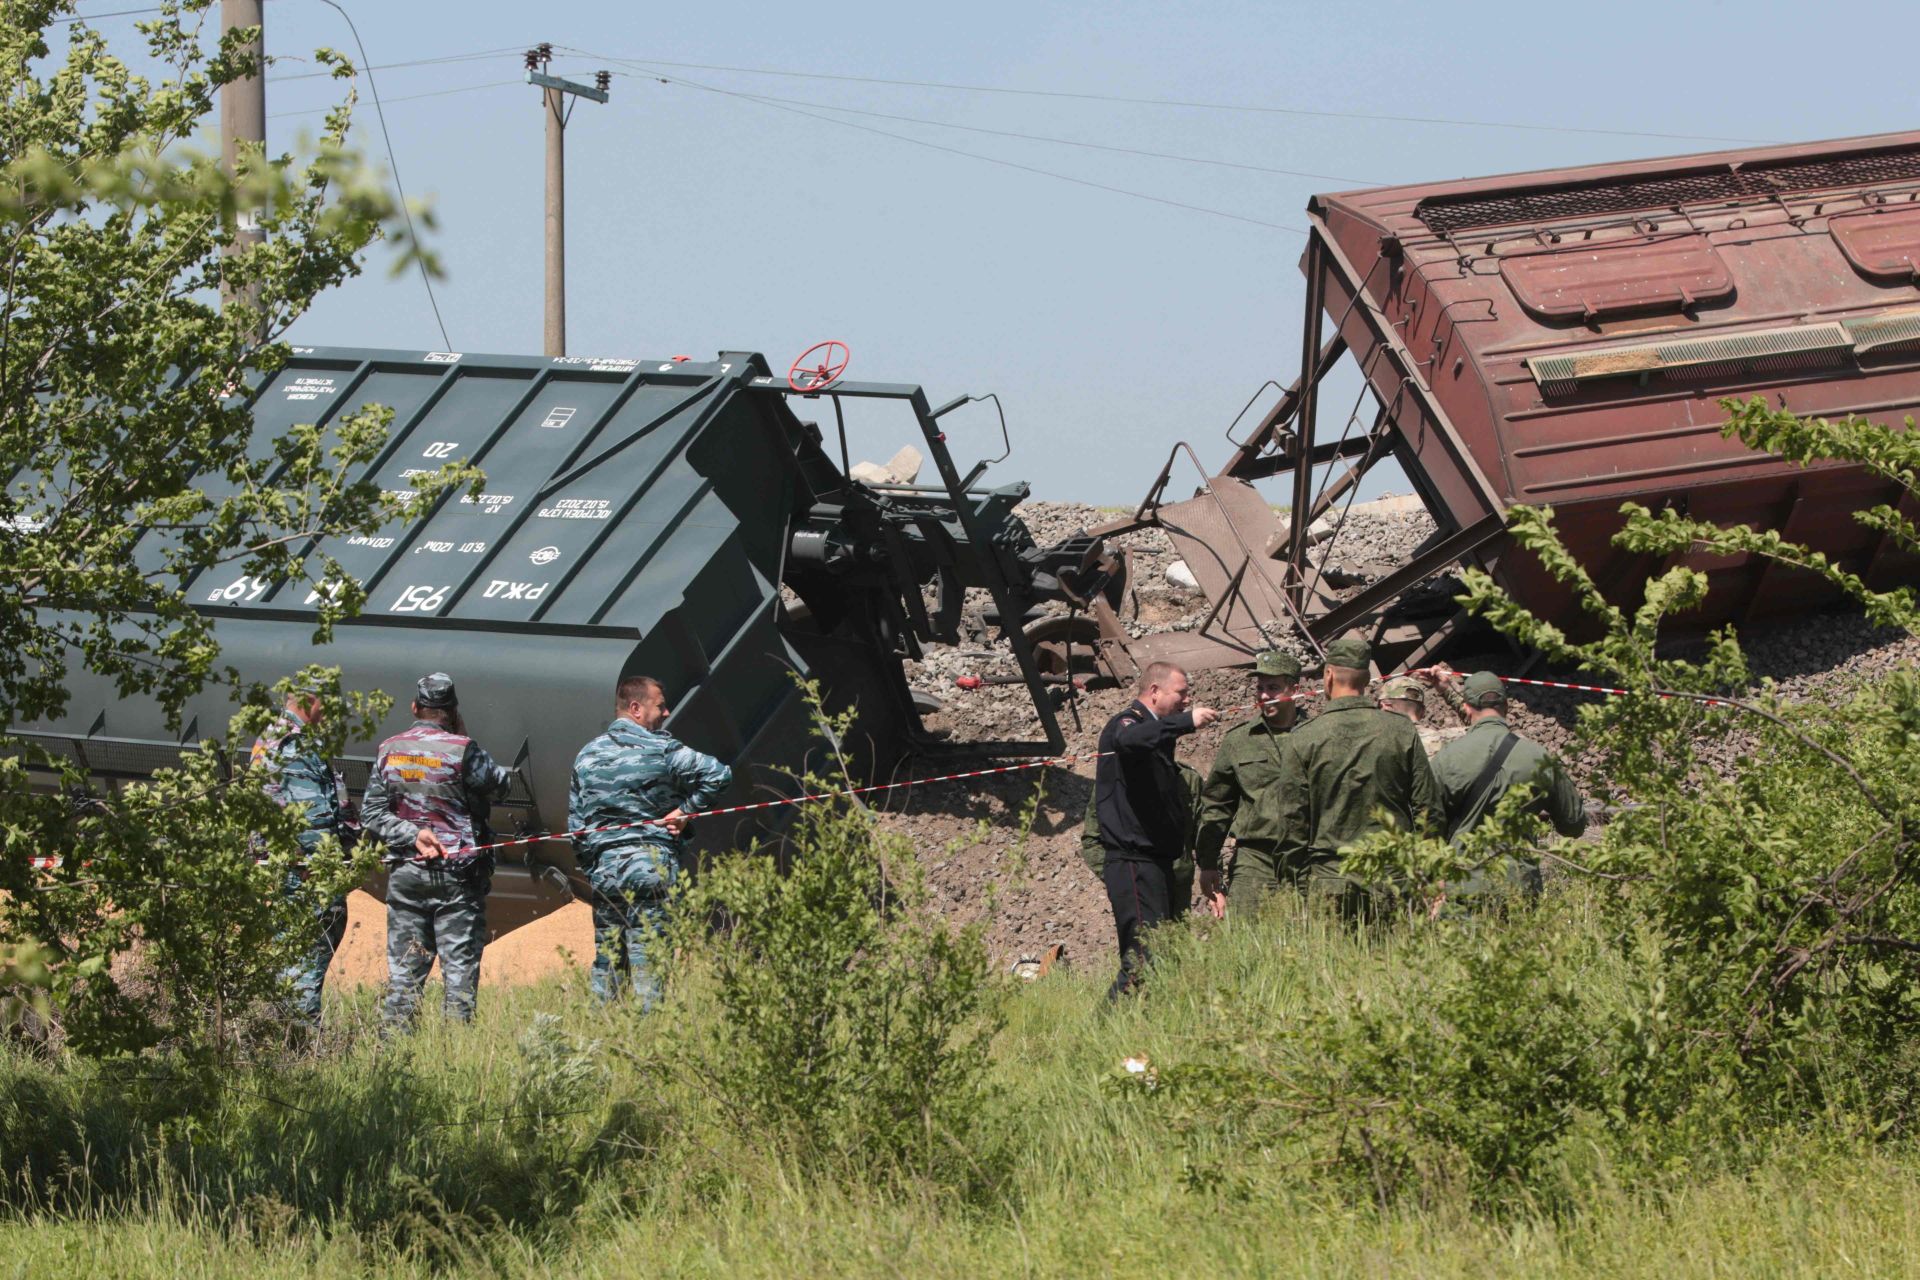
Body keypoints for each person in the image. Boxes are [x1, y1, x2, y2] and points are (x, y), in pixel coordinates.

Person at [360, 672, 514, 1030]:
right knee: (458, 979)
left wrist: (412, 835)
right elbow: (502, 786)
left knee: (404, 978)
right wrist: (462, 739)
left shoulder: (389, 749)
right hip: (458, 877)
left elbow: (372, 813)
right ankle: (456, 1055)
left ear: (415, 707)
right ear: (453, 711)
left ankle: (395, 1055)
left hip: (407, 872)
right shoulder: (463, 749)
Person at [569, 675, 733, 1008]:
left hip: (605, 872)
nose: (667, 712)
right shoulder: (661, 748)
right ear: (636, 708)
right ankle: (649, 1035)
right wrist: (686, 811)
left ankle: (602, 1031)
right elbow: (719, 774)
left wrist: (596, 867)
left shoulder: (586, 756)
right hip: (650, 866)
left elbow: (576, 825)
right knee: (650, 958)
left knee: (608, 958)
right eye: (660, 705)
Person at [1270, 637, 1439, 914]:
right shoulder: (1401, 730)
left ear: (1329, 675)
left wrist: (1296, 885)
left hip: (1330, 879)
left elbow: (1292, 820)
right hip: (1394, 876)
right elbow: (1427, 809)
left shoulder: (1304, 737)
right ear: (1367, 679)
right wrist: (1426, 873)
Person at [1095, 661, 1219, 998]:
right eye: (1180, 693)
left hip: (1156, 863)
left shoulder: (1155, 733)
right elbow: (1129, 740)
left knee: (1160, 954)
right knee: (1142, 959)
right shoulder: (1127, 724)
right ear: (1154, 692)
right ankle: (1102, 1031)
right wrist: (1185, 722)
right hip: (1134, 861)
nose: (1186, 699)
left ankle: (1142, 1032)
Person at [1428, 671, 1587, 902]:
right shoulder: (1538, 757)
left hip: (1462, 886)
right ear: (1507, 705)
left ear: (1467, 707)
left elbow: (1427, 826)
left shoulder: (1447, 758)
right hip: (1519, 886)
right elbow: (1573, 824)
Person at [251, 683, 349, 1028]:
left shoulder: (275, 736)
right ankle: (302, 1034)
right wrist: (318, 865)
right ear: (310, 700)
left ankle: (284, 1028)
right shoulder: (295, 742)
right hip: (305, 869)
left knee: (294, 949)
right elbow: (305, 812)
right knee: (310, 945)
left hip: (288, 865)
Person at [1196, 649, 1307, 914]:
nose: (1264, 695)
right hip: (1255, 859)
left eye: (1273, 687)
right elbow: (1217, 804)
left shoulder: (1318, 736)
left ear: (1295, 689)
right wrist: (1208, 863)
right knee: (1249, 936)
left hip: (1308, 856)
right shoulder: (1239, 741)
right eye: (1259, 688)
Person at [1078, 759, 1207, 922]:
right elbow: (1092, 840)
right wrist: (1121, 879)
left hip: (1178, 889)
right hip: (1137, 891)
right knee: (1143, 945)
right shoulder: (1114, 781)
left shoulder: (1187, 779)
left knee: (1178, 945)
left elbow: (1204, 837)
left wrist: (1215, 876)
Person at [1377, 674, 1467, 757]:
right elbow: (1480, 723)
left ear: (1385, 706)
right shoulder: (1453, 740)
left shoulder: (1378, 753)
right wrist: (1448, 689)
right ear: (1423, 712)